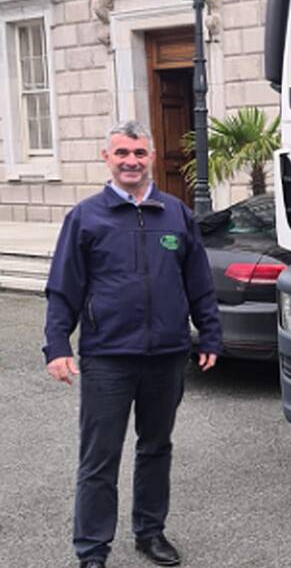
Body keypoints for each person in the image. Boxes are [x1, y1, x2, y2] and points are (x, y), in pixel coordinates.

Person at [43, 120, 222, 568]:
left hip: (166, 354)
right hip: (107, 358)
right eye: (122, 153)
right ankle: (92, 549)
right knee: (99, 457)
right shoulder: (86, 217)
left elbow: (198, 280)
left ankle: (150, 532)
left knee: (156, 447)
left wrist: (210, 333)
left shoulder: (175, 214)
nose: (131, 161)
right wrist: (57, 346)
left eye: (139, 154)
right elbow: (63, 287)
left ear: (152, 158)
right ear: (107, 158)